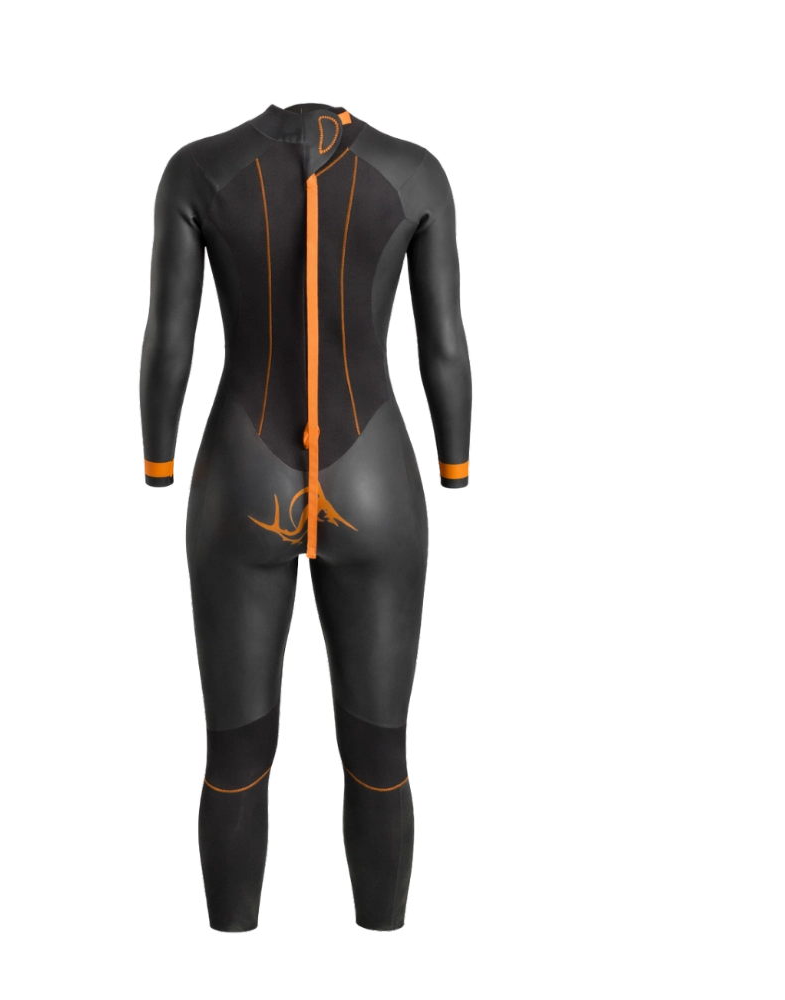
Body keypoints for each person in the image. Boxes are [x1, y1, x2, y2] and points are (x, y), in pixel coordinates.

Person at [140, 101, 471, 932]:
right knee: (380, 751)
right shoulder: (414, 170)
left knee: (236, 751)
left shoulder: (198, 169)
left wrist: (157, 455)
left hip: (243, 479)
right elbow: (442, 345)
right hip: (373, 481)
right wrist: (456, 458)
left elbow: (170, 340)